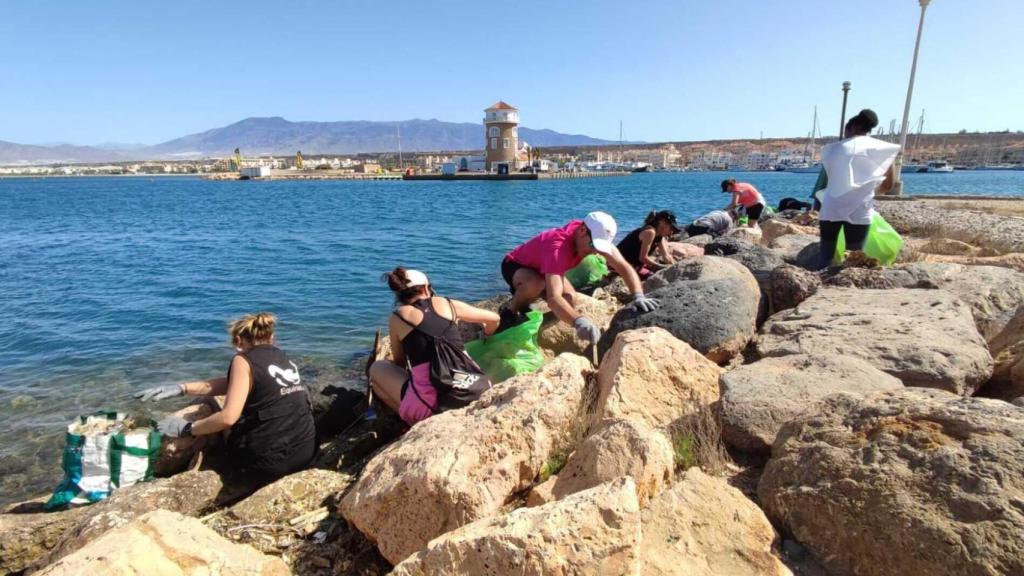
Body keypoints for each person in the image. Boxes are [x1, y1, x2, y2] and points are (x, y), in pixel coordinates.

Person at [136, 313, 316, 484]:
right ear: (272, 337)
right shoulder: (281, 356)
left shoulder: (243, 360)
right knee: (218, 402)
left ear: (238, 341)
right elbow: (234, 383)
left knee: (212, 407)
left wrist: (187, 428)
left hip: (269, 463)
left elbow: (229, 417)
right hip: (305, 450)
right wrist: (182, 388)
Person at [501, 211, 660, 343]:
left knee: (570, 297)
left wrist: (638, 295)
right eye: (593, 246)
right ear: (582, 231)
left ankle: (537, 327)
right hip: (517, 266)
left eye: (599, 247)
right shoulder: (557, 248)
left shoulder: (594, 236)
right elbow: (554, 298)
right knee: (536, 284)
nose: (595, 251)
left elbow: (624, 267)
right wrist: (578, 321)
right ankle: (510, 311)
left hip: (544, 270)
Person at [369, 268, 499, 426]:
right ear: (425, 288)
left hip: (434, 406)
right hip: (478, 388)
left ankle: (414, 423)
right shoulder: (447, 303)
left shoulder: (398, 316)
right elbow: (494, 319)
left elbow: (399, 362)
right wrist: (486, 335)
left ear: (399, 295)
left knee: (377, 370)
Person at [816, 109, 900, 269]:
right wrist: (866, 191)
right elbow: (888, 186)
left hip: (831, 206)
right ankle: (848, 286)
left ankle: (821, 282)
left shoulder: (832, 150)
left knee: (826, 253)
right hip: (860, 208)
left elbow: (828, 181)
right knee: (854, 254)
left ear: (852, 127)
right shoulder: (884, 150)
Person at [616, 210, 680, 278]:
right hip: (619, 264)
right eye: (671, 228)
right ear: (662, 222)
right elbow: (643, 258)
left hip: (633, 265)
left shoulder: (659, 235)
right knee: (654, 277)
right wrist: (660, 266)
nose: (672, 232)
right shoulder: (650, 232)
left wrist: (675, 267)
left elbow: (666, 256)